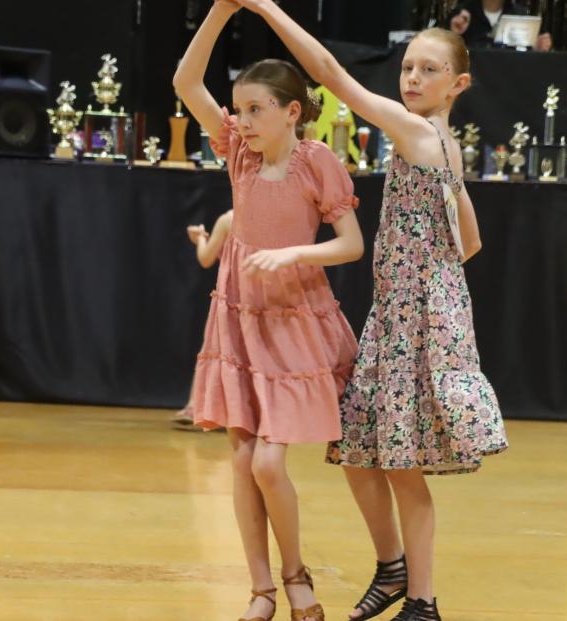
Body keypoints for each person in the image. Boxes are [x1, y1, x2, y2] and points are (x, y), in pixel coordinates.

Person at [235, 2, 509, 620]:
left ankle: (423, 600)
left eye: (428, 70)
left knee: (403, 464)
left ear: (457, 85)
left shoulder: (417, 132)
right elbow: (470, 241)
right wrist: (423, 277)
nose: (411, 79)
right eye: (408, 67)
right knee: (359, 446)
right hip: (397, 313)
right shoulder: (442, 143)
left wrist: (267, 8)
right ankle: (391, 568)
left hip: (416, 321)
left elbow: (331, 72)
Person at [172, 1, 365, 619]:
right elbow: (184, 82)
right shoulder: (238, 153)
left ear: (292, 111)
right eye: (240, 108)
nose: (244, 120)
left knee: (268, 460)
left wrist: (292, 257)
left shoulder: (318, 162)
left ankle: (295, 573)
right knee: (241, 457)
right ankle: (261, 591)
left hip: (295, 319)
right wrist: (221, 10)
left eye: (257, 109)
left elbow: (352, 243)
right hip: (240, 317)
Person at [172, 210, 234, 429]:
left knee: (218, 351)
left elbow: (206, 258)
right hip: (267, 298)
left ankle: (198, 407)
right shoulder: (274, 217)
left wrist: (199, 240)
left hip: (234, 299)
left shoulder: (229, 219)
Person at [448, 0, 552, 51]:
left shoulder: (520, 14)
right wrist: (454, 34)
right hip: (472, 80)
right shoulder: (461, 13)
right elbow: (448, 52)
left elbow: (526, 55)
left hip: (509, 80)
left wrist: (537, 47)